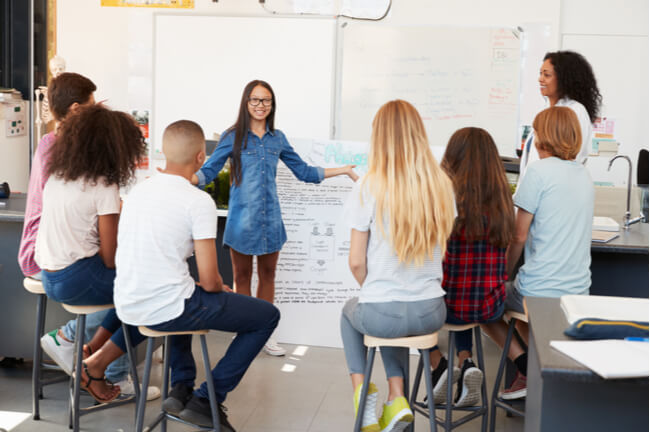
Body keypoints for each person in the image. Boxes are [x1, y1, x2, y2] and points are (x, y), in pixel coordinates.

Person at [114, 120, 280, 431]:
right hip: (165, 308)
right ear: (202, 157)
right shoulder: (196, 200)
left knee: (188, 292)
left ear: (163, 152)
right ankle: (208, 399)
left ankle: (181, 388)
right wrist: (220, 289)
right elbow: (209, 277)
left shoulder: (138, 190)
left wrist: (208, 288)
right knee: (266, 316)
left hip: (128, 305)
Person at [17, 73, 157, 399]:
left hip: (51, 267)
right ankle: (90, 361)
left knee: (132, 287)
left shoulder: (62, 172)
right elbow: (110, 258)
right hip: (68, 271)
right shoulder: (101, 182)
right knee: (148, 293)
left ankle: (88, 352)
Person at [194, 79, 358, 356]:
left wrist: (341, 170)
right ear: (246, 103)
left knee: (269, 276)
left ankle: (265, 333)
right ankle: (245, 333)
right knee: (242, 276)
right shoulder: (232, 136)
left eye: (266, 101)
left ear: (272, 105)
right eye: (255, 100)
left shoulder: (277, 138)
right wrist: (183, 178)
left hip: (270, 222)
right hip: (241, 222)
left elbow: (304, 173)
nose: (261, 105)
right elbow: (209, 171)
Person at [340, 100, 455, 432]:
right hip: (431, 311)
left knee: (360, 313)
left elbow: (356, 261)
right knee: (393, 318)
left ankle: (363, 398)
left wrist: (375, 291)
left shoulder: (368, 185)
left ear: (380, 137)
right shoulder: (442, 186)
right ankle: (396, 398)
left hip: (385, 312)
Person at [482, 106, 595, 400]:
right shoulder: (584, 176)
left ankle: (528, 367)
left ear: (545, 137)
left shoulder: (538, 171)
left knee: (483, 299)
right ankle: (544, 368)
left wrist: (503, 274)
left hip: (538, 291)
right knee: (522, 317)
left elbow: (519, 234)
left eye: (536, 131)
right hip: (578, 291)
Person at [426, 127, 515, 407]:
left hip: (449, 306)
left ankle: (439, 365)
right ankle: (467, 362)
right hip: (490, 305)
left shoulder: (443, 202)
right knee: (466, 296)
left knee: (423, 300)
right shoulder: (503, 203)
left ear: (451, 157)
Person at [520, 50, 602, 177]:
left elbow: (573, 159)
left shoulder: (575, 111)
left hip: (552, 189)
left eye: (547, 75)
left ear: (564, 78)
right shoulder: (545, 110)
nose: (540, 79)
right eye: (540, 74)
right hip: (535, 187)